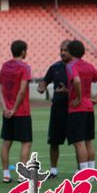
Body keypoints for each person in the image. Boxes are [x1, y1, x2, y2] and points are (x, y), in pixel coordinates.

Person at [64, 40, 97, 170]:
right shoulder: (89, 66)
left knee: (79, 143)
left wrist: (78, 98)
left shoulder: (71, 66)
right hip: (89, 107)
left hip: (77, 109)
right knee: (89, 142)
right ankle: (91, 172)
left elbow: (76, 81)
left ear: (70, 52)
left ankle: (84, 173)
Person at [37, 40, 71, 178]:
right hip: (57, 109)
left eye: (65, 50)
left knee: (77, 142)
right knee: (54, 141)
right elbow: (45, 81)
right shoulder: (55, 67)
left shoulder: (77, 68)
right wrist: (42, 86)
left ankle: (81, 170)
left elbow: (84, 89)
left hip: (73, 109)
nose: (62, 52)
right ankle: (53, 170)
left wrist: (68, 91)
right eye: (61, 49)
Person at [0, 40, 32, 183]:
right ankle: (22, 174)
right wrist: (14, 109)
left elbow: (0, 89)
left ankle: (6, 174)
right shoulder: (25, 67)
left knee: (6, 143)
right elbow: (22, 90)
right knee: (26, 142)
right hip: (21, 111)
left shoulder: (4, 66)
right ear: (23, 51)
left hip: (7, 112)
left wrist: (5, 108)